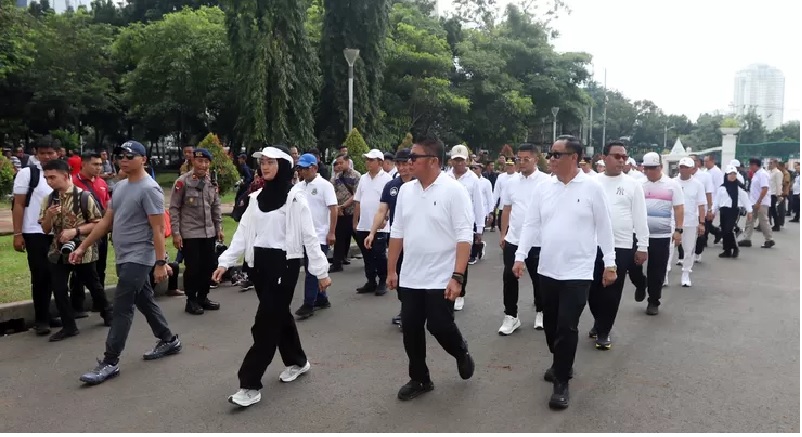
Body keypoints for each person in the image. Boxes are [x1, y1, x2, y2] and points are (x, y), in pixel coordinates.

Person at [213, 146, 332, 408]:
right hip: (260, 265)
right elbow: (243, 234)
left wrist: (321, 272)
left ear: (284, 166)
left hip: (284, 266)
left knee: (264, 324)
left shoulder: (295, 199)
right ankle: (298, 361)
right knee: (280, 317)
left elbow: (310, 238)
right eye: (263, 162)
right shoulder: (256, 198)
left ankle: (249, 384)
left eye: (271, 162)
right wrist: (225, 262)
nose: (265, 166)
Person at [512, 135, 616, 410]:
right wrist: (520, 256)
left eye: (557, 154)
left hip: (578, 271)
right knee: (550, 326)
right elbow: (531, 224)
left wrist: (610, 263)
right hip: (548, 269)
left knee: (567, 326)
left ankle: (561, 381)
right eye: (550, 154)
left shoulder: (593, 188)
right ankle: (561, 360)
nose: (551, 159)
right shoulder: (544, 188)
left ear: (574, 158)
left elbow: (605, 228)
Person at [72, 140, 181, 385]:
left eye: (130, 155)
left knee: (122, 306)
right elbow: (106, 222)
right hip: (123, 255)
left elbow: (158, 228)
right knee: (143, 299)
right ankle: (169, 339)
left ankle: (110, 361)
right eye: (121, 154)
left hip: (140, 257)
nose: (124, 158)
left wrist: (161, 262)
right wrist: (82, 246)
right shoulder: (120, 187)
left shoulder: (149, 189)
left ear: (143, 159)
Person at [387, 137, 475, 402]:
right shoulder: (406, 191)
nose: (408, 163)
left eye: (414, 158)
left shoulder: (453, 190)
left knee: (439, 325)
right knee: (411, 328)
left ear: (433, 161)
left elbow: (464, 237)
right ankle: (420, 378)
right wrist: (392, 269)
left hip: (442, 274)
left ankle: (460, 351)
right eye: (406, 159)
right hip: (412, 274)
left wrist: (457, 277)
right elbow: (397, 232)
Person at [39, 159, 111, 341]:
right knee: (59, 289)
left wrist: (75, 231)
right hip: (57, 251)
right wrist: (48, 216)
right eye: (46, 178)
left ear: (65, 175)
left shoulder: (84, 197)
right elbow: (45, 229)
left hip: (82, 249)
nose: (49, 181)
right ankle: (69, 326)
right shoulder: (48, 199)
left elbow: (98, 224)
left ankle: (108, 313)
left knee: (93, 284)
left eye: (52, 177)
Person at [588, 141, 649, 350]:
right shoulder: (593, 182)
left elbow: (640, 217)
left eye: (624, 156)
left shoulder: (633, 184)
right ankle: (599, 320)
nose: (621, 160)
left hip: (622, 245)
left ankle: (604, 330)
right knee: (592, 290)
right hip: (593, 245)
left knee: (611, 291)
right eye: (616, 156)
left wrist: (642, 245)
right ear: (604, 158)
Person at [497, 143, 550, 335]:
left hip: (539, 240)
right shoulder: (511, 182)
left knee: (540, 279)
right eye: (520, 159)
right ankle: (511, 315)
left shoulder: (547, 181)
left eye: (526, 159)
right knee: (509, 277)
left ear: (536, 159)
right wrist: (503, 234)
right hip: (514, 238)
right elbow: (507, 209)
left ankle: (542, 311)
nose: (522, 162)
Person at [12, 136, 57, 336]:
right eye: (42, 153)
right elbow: (19, 205)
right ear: (36, 153)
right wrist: (17, 234)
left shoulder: (62, 173)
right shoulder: (27, 174)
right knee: (40, 275)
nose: (47, 156)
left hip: (57, 233)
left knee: (56, 274)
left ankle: (50, 312)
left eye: (50, 152)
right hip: (34, 232)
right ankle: (41, 319)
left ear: (58, 153)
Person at [628, 152, 683, 314]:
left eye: (653, 168)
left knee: (656, 270)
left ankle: (653, 301)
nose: (650, 171)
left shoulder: (672, 185)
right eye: (647, 168)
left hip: (661, 235)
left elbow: (679, 208)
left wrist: (679, 230)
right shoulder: (638, 184)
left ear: (660, 167)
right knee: (633, 266)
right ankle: (640, 283)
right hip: (637, 234)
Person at [170, 148, 223, 315]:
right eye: (200, 161)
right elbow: (174, 208)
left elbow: (215, 206)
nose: (203, 165)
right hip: (190, 233)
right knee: (193, 268)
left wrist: (218, 227)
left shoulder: (211, 182)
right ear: (193, 161)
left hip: (209, 233)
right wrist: (176, 233)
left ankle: (203, 297)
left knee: (208, 266)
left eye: (206, 162)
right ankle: (191, 300)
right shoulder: (183, 182)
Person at [365, 149, 413, 327]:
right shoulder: (392, 186)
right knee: (400, 276)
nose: (402, 167)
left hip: (419, 241)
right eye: (398, 164)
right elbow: (381, 211)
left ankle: (416, 312)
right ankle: (406, 310)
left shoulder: (421, 184)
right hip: (398, 240)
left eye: (405, 163)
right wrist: (372, 232)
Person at [293, 153, 338, 320]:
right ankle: (322, 298)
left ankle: (308, 303)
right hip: (304, 235)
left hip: (319, 234)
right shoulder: (299, 186)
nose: (302, 172)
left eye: (305, 168)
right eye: (300, 168)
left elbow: (333, 209)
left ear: (315, 167)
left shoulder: (325, 185)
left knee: (312, 269)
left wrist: (332, 231)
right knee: (314, 267)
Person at [445, 144, 486, 310]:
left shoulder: (473, 180)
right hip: (447, 224)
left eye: (462, 160)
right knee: (448, 257)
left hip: (466, 224)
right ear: (451, 161)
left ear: (467, 161)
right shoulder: (445, 177)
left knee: (462, 259)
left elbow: (478, 205)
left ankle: (460, 293)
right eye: (456, 160)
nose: (459, 163)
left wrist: (480, 228)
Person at [70, 152, 111, 317]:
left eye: (100, 164)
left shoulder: (102, 183)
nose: (99, 168)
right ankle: (76, 305)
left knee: (100, 267)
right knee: (81, 270)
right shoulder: (73, 182)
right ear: (84, 164)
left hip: (101, 230)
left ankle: (98, 304)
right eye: (95, 164)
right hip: (82, 231)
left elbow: (107, 204)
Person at [353, 149, 392, 296]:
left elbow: (390, 203)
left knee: (379, 254)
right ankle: (370, 281)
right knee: (367, 255)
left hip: (380, 226)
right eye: (367, 159)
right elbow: (358, 201)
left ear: (380, 162)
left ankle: (383, 280)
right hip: (364, 224)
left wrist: (385, 218)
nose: (367, 162)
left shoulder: (387, 179)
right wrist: (355, 221)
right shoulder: (363, 178)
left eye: (371, 160)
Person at [673, 157, 707, 288]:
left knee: (688, 248)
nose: (683, 169)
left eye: (686, 167)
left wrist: (702, 223)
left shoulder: (698, 184)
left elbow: (701, 205)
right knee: (669, 249)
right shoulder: (673, 182)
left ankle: (686, 273)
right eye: (681, 166)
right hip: (673, 221)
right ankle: (664, 274)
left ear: (692, 169)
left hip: (690, 221)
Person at [714, 166, 752, 258]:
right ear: (726, 175)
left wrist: (749, 211)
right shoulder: (722, 188)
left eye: (734, 174)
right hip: (724, 211)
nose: (732, 176)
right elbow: (717, 201)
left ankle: (734, 248)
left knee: (729, 230)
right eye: (730, 174)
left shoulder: (738, 189)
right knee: (724, 230)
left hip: (733, 210)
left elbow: (745, 200)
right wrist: (713, 211)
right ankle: (727, 250)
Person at [330, 154, 360, 272]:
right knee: (339, 238)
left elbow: (357, 194)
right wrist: (337, 207)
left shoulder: (356, 176)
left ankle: (371, 259)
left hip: (353, 211)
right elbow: (331, 191)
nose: (339, 165)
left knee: (359, 238)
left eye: (341, 162)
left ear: (348, 162)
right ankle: (337, 263)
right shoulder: (337, 177)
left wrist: (344, 205)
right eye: (337, 163)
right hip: (340, 212)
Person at [739, 158, 774, 248]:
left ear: (755, 165)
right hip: (754, 202)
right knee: (749, 220)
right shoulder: (756, 174)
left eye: (750, 165)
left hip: (761, 202)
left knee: (763, 221)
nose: (750, 167)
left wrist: (759, 201)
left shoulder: (762, 174)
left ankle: (769, 239)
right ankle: (747, 239)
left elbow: (765, 188)